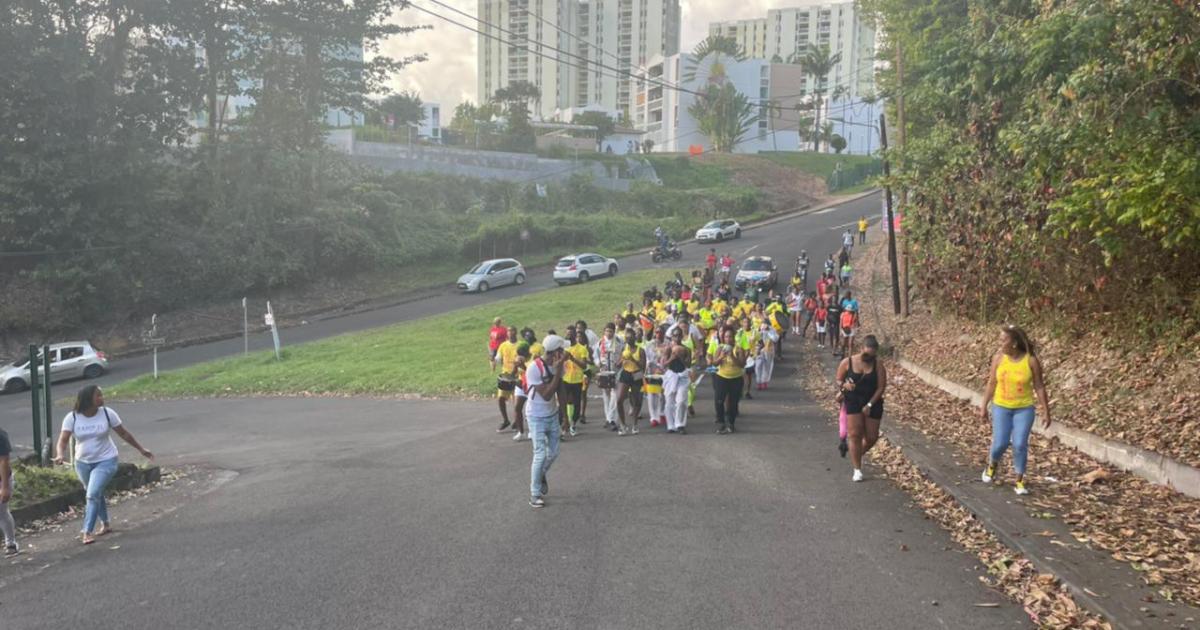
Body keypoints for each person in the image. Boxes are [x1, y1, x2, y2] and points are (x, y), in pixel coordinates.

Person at [53, 385, 154, 544]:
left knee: (92, 494)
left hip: (107, 460)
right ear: (88, 399)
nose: (102, 398)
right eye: (98, 396)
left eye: (101, 395)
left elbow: (124, 433)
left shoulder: (107, 413)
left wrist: (141, 449)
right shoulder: (72, 417)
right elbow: (63, 440)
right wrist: (59, 454)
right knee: (94, 493)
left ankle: (87, 531)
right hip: (82, 463)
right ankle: (105, 523)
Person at [981, 325, 1052, 496]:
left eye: (1003, 340)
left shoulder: (1030, 361)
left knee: (1020, 443)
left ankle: (1019, 479)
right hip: (1001, 406)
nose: (1000, 343)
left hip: (1024, 408)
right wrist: (983, 406)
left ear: (1014, 343)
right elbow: (992, 383)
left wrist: (1045, 410)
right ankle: (992, 464)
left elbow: (1039, 386)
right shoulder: (998, 359)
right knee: (1001, 443)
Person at [836, 335, 887, 482]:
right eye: (866, 354)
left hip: (873, 401)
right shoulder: (848, 362)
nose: (868, 357)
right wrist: (844, 385)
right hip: (853, 400)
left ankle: (857, 453)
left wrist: (870, 404)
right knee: (854, 434)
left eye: (872, 355)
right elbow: (839, 379)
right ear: (861, 349)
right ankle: (857, 469)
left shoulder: (878, 365)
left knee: (871, 437)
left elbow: (881, 387)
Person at [527, 335, 568, 508]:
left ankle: (540, 474)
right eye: (562, 350)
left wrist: (565, 415)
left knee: (555, 452)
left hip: (552, 415)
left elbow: (561, 391)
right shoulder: (534, 368)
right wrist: (557, 372)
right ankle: (534, 494)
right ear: (556, 352)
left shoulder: (559, 366)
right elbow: (546, 395)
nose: (565, 353)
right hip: (536, 416)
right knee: (540, 454)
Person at [712, 327, 748, 434]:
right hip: (722, 377)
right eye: (726, 337)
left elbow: (742, 364)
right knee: (719, 401)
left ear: (734, 338)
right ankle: (721, 422)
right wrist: (721, 357)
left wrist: (732, 356)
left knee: (733, 402)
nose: (728, 339)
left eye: (730, 337)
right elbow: (714, 363)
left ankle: (731, 423)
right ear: (723, 338)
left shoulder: (738, 349)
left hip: (736, 378)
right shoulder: (720, 348)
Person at [560, 328, 592, 437]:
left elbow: (584, 365)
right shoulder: (563, 348)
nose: (568, 335)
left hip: (577, 380)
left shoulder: (582, 348)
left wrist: (572, 359)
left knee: (577, 403)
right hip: (565, 379)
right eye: (567, 333)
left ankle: (573, 424)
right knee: (562, 403)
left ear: (574, 335)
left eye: (570, 333)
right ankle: (563, 428)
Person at [662, 327, 692, 434]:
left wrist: (680, 358)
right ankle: (670, 425)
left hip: (682, 377)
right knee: (669, 402)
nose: (677, 338)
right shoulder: (668, 349)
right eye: (675, 335)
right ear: (672, 336)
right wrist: (672, 358)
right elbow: (664, 365)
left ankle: (680, 424)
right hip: (671, 376)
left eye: (679, 335)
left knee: (681, 401)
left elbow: (688, 365)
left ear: (682, 336)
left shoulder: (687, 349)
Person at [616, 329, 646, 435]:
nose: (629, 339)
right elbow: (617, 365)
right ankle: (623, 425)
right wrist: (622, 359)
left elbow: (643, 367)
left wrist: (632, 359)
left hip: (637, 374)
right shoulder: (624, 348)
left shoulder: (641, 350)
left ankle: (635, 424)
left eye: (630, 337)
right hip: (626, 373)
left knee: (636, 401)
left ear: (635, 337)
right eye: (627, 338)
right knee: (619, 400)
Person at [596, 323, 624, 431]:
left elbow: (624, 353)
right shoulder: (600, 342)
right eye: (607, 331)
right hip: (604, 371)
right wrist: (599, 364)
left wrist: (620, 361)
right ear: (604, 331)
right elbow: (595, 355)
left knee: (614, 395)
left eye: (611, 331)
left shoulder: (619, 341)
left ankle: (612, 419)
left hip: (616, 371)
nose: (609, 333)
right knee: (606, 395)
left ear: (614, 331)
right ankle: (608, 418)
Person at [495, 325, 520, 432]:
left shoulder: (520, 345)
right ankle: (505, 420)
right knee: (500, 398)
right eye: (509, 331)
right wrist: (494, 359)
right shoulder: (503, 345)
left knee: (516, 401)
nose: (510, 333)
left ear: (516, 332)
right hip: (505, 376)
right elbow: (498, 358)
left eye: (512, 331)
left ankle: (516, 422)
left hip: (517, 376)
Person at [575, 320, 600, 424]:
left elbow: (592, 361)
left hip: (586, 372)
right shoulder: (573, 347)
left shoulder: (588, 348)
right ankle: (575, 413)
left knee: (583, 393)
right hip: (575, 372)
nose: (578, 338)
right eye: (577, 337)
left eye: (580, 337)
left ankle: (582, 414)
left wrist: (584, 360)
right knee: (575, 394)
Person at [644, 326, 668, 427]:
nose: (658, 334)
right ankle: (653, 417)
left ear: (664, 333)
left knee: (663, 394)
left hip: (665, 372)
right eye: (656, 332)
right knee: (652, 395)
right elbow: (647, 359)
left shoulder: (668, 344)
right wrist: (652, 367)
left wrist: (662, 367)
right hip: (652, 372)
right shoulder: (649, 345)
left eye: (660, 332)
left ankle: (662, 413)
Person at [0, 427, 16, 556]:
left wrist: (5, 487)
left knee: (2, 512)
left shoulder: (1, 435)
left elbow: (4, 461)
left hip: (2, 478)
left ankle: (10, 543)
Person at [755, 321, 778, 390]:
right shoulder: (757, 329)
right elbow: (754, 338)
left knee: (767, 367)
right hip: (759, 350)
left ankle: (764, 381)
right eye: (762, 324)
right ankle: (759, 381)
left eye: (765, 324)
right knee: (758, 366)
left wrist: (768, 331)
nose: (764, 326)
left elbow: (775, 339)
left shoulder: (772, 330)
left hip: (768, 351)